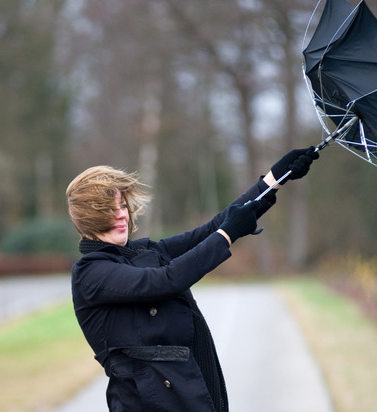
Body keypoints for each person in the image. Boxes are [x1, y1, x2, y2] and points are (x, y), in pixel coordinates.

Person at [65, 147, 319, 412]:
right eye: (108, 209)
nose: (121, 215)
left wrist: (272, 180)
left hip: (188, 391)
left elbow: (211, 229)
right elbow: (165, 281)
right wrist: (227, 235)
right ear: (88, 218)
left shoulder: (143, 251)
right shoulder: (90, 273)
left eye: (122, 205)